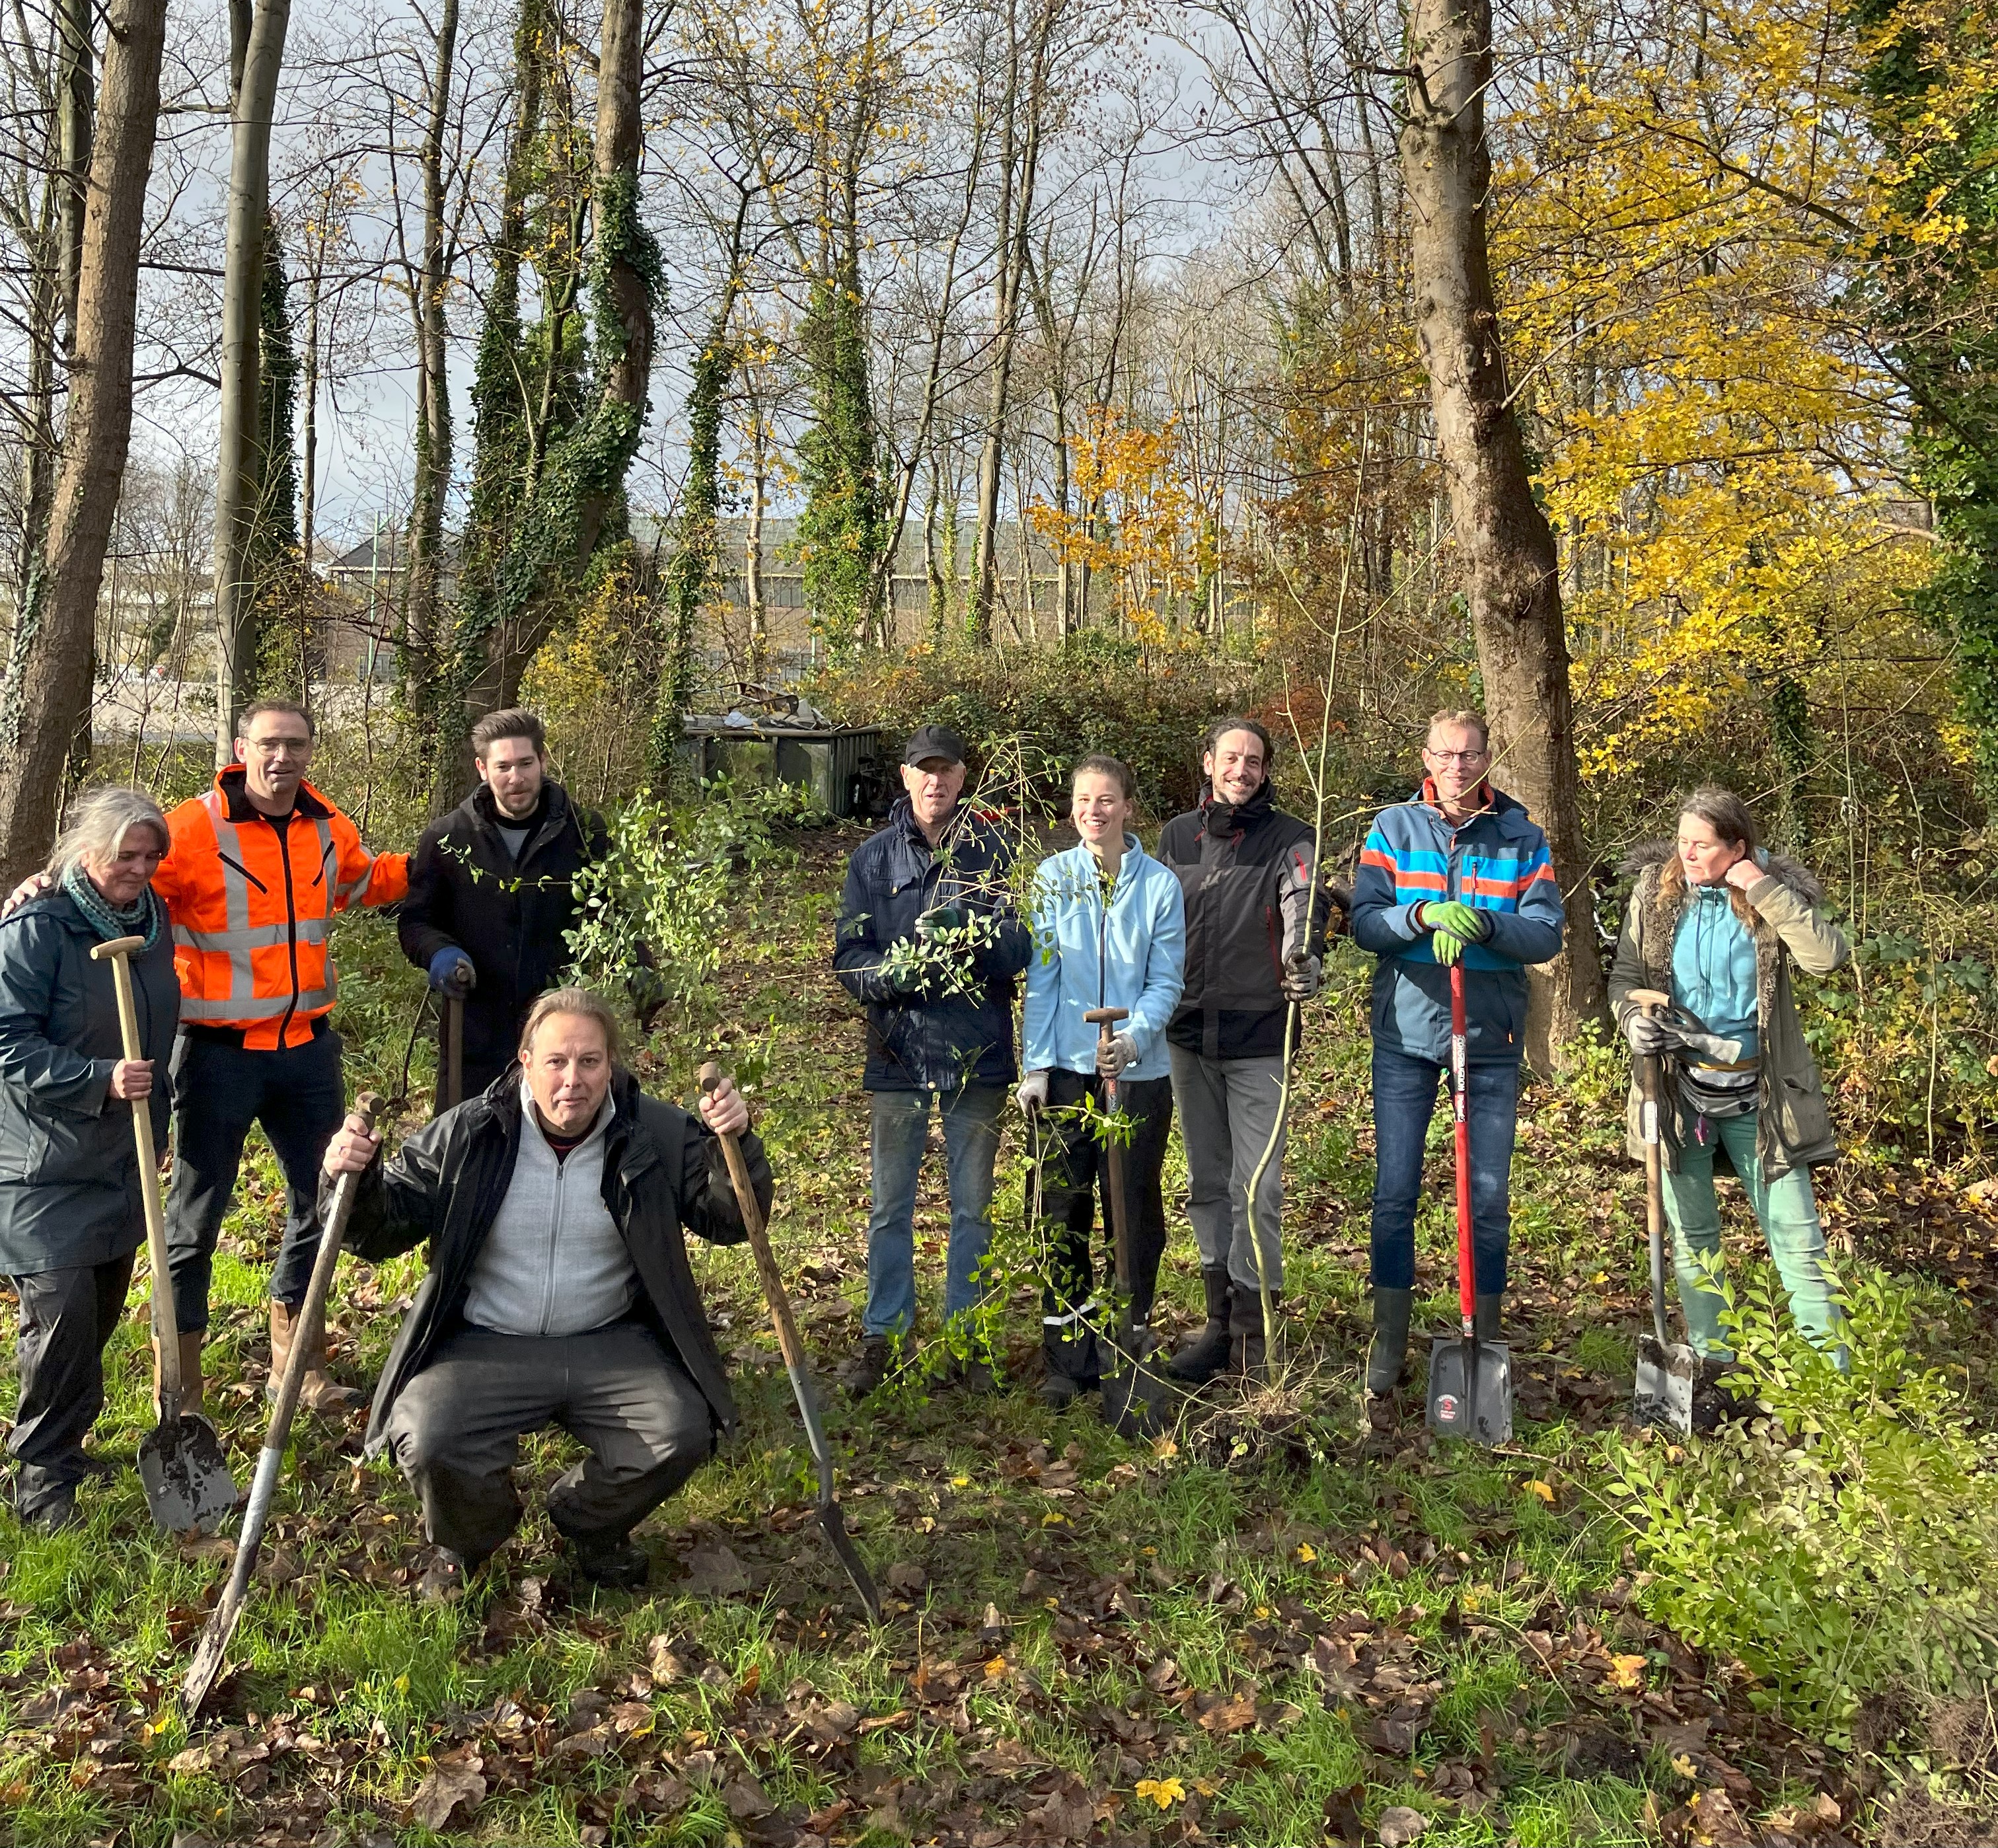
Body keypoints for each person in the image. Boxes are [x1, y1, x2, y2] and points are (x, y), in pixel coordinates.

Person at [322, 988, 770, 1599]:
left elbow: (731, 1219)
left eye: (589, 1061)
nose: (573, 1079)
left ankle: (590, 1522)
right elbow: (380, 1227)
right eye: (557, 1061)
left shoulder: (654, 1133)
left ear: (610, 1065)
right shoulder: (470, 1132)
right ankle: (469, 1540)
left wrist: (734, 1145)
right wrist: (356, 1177)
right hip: (486, 1343)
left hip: (611, 1340)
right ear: (525, 1061)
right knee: (428, 1434)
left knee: (680, 1430)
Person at [155, 700, 406, 1413]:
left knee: (322, 1204)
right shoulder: (192, 827)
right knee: (193, 1222)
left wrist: (446, 862)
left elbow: (365, 881)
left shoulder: (327, 827)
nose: (282, 758)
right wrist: (49, 885)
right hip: (214, 1055)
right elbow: (123, 880)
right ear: (241, 748)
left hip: (306, 1054)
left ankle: (297, 1366)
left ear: (309, 752)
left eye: (295, 745)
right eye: (269, 744)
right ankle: (181, 1390)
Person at [1351, 708, 1566, 1432]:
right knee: (1396, 1189)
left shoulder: (1521, 837)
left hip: (1492, 1033)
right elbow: (1364, 922)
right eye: (1446, 754)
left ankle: (1487, 1330)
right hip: (1408, 1033)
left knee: (1488, 1195)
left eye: (1471, 755)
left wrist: (1485, 927)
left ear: (1487, 759)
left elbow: (1545, 933)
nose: (1459, 766)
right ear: (1427, 756)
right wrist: (1421, 920)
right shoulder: (1394, 828)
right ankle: (1389, 1335)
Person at [1609, 786, 1850, 1423]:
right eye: (1683, 839)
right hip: (1677, 1094)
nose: (1686, 853)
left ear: (1738, 847)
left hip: (1761, 1100)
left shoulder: (1767, 893)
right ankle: (1711, 1369)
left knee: (1797, 1240)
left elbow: (1827, 958)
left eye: (1704, 844)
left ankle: (1833, 1389)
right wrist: (1633, 1018)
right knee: (1694, 1240)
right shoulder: (1655, 895)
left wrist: (1761, 887)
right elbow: (1625, 980)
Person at [833, 723, 1031, 1395]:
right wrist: (902, 971)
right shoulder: (873, 862)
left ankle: (966, 1336)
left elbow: (1020, 952)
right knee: (891, 1204)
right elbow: (848, 961)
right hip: (899, 1051)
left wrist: (972, 939)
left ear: (963, 777)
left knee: (972, 1205)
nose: (935, 782)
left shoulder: (993, 853)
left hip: (977, 1052)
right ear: (905, 776)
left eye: (947, 770)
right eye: (924, 770)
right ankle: (885, 1333)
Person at [0, 789, 176, 1531]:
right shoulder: (37, 926)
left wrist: (155, 1121)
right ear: (84, 852)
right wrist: (96, 1078)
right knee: (64, 1316)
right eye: (123, 856)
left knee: (97, 1314)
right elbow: (7, 1041)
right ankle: (39, 1479)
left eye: (149, 856)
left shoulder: (154, 918)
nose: (138, 869)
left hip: (120, 1156)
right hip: (42, 1163)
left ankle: (62, 1442)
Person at [1156, 718, 1331, 1383]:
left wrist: (1301, 956)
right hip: (1188, 1037)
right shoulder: (1177, 836)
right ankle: (1217, 1322)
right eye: (1231, 757)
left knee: (1254, 1188)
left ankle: (1256, 1333)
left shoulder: (1290, 838)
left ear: (1266, 769)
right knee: (1206, 1183)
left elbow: (1302, 902)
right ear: (1208, 762)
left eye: (1253, 760)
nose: (1241, 769)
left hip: (1261, 1038)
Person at [1018, 755, 1186, 1407]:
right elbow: (1045, 978)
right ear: (1072, 809)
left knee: (1133, 1207)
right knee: (1063, 1206)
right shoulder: (1053, 879)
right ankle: (1067, 1351)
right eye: (1085, 799)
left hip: (1139, 1073)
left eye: (1108, 798)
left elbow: (1165, 978)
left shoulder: (1159, 886)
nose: (1096, 809)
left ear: (1128, 807)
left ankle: (1127, 1336)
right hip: (1066, 1070)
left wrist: (1134, 1039)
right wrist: (1036, 1066)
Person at [399, 708, 610, 1103]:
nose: (517, 778)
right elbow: (415, 924)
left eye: (526, 763)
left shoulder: (584, 833)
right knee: (470, 1147)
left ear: (543, 761)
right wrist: (440, 953)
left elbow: (609, 917)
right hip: (474, 1029)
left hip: (560, 1038)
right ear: (482, 768)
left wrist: (641, 973)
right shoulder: (448, 838)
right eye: (504, 766)